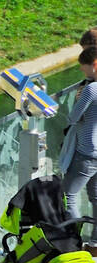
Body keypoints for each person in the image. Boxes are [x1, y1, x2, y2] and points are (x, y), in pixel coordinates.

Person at [61, 47, 97, 250]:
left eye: (84, 70)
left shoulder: (91, 90)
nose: (83, 74)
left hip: (87, 152)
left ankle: (74, 241)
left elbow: (73, 118)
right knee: (96, 197)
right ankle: (95, 242)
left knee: (69, 196)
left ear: (94, 65)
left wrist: (78, 100)